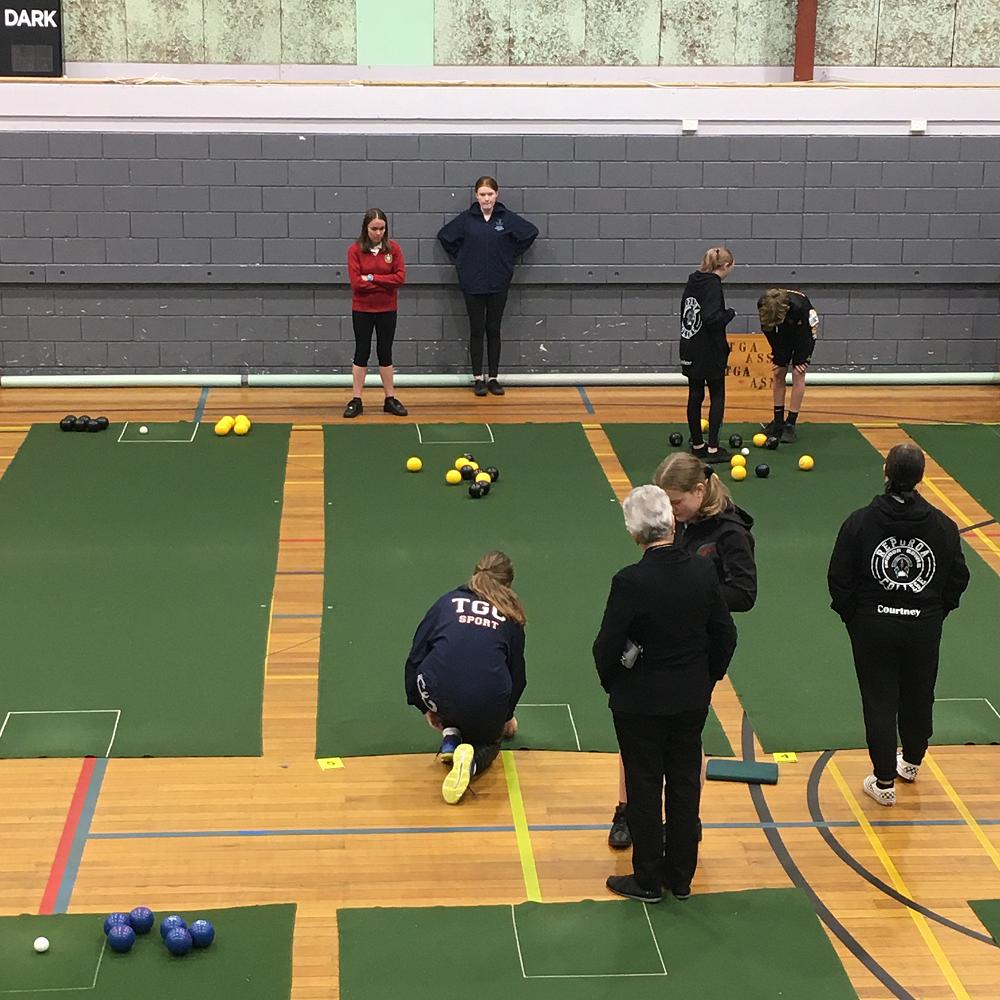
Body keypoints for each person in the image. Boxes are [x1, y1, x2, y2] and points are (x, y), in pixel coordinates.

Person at [594, 485, 737, 902]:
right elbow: (724, 633)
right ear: (672, 522)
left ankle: (647, 879)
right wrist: (707, 678)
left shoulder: (630, 581)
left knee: (642, 785)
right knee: (683, 781)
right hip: (691, 697)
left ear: (634, 534)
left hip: (640, 702)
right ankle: (681, 877)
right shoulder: (703, 571)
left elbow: (606, 645)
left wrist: (615, 684)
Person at [607, 452, 757, 849]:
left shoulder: (731, 532)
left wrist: (694, 595)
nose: (670, 513)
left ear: (700, 490)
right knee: (636, 731)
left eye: (675, 503)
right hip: (658, 637)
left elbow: (745, 592)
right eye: (666, 504)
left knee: (684, 741)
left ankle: (685, 822)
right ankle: (626, 809)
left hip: (694, 646)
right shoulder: (681, 524)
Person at [828, 443, 969, 807]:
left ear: (886, 472)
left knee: (879, 700)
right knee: (919, 692)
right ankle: (911, 763)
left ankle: (884, 781)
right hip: (923, 625)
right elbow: (957, 578)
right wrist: (935, 611)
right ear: (921, 478)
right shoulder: (943, 525)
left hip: (873, 627)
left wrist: (856, 617)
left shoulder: (859, 522)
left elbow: (839, 578)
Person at [404, 551, 526, 805]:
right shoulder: (511, 615)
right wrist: (504, 719)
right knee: (491, 741)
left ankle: (450, 735)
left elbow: (416, 656)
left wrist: (424, 706)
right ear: (508, 584)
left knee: (451, 689)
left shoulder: (446, 602)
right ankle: (471, 761)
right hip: (486, 700)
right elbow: (518, 677)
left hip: (437, 693)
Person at [437, 176, 538, 397]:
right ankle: (477, 378)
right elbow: (445, 237)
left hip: (498, 282)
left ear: (497, 194)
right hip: (472, 283)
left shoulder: (506, 218)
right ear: (476, 196)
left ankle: (493, 377)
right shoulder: (466, 220)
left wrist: (509, 256)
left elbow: (530, 233)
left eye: (490, 194)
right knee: (476, 329)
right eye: (482, 194)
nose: (486, 199)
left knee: (493, 329)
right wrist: (463, 259)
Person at [344, 208, 408, 419]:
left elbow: (399, 279)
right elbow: (356, 284)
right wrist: (383, 281)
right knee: (361, 352)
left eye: (382, 229)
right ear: (366, 228)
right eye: (374, 229)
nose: (378, 233)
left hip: (387, 309)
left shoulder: (394, 250)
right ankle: (356, 399)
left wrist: (371, 278)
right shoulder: (355, 250)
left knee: (385, 352)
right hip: (362, 309)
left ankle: (390, 398)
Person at [679, 247, 736, 463]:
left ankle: (697, 444)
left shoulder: (693, 280)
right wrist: (729, 314)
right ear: (726, 266)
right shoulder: (713, 284)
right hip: (708, 350)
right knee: (717, 394)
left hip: (689, 344)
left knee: (695, 395)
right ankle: (713, 448)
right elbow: (712, 318)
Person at [757, 288, 819, 444]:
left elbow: (811, 333)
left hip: (802, 334)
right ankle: (778, 421)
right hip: (780, 334)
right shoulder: (763, 305)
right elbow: (768, 330)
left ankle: (790, 423)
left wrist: (806, 359)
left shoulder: (801, 307)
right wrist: (777, 355)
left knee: (798, 374)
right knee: (778, 373)